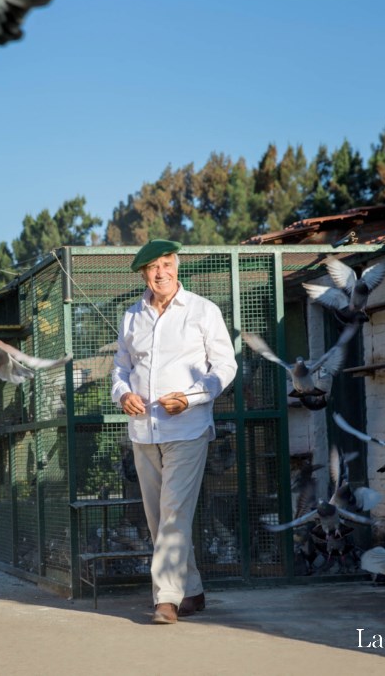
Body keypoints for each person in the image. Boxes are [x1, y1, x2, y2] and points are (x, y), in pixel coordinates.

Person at [111, 240, 238, 625]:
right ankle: (193, 591)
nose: (160, 273)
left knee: (173, 511)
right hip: (143, 432)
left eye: (167, 264)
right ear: (143, 275)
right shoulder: (132, 317)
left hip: (188, 427)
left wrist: (192, 397)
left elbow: (226, 367)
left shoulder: (203, 311)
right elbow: (119, 368)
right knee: (159, 518)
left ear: (177, 267)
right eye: (152, 268)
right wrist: (123, 395)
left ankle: (166, 598)